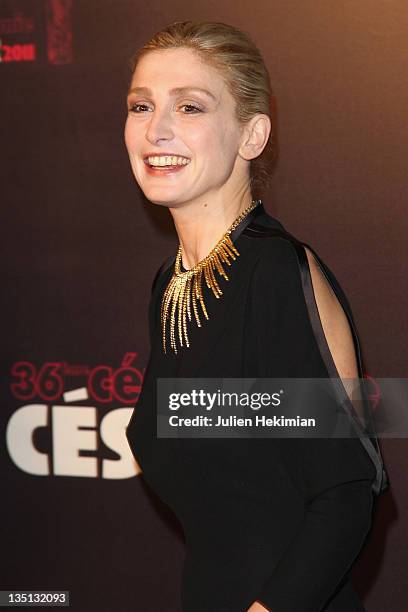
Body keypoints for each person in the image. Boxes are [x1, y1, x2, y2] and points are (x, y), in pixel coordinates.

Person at [124, 21, 388, 612]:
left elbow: (345, 493)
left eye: (189, 106)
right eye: (141, 105)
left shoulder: (273, 275)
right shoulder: (171, 284)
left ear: (252, 135)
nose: (155, 128)